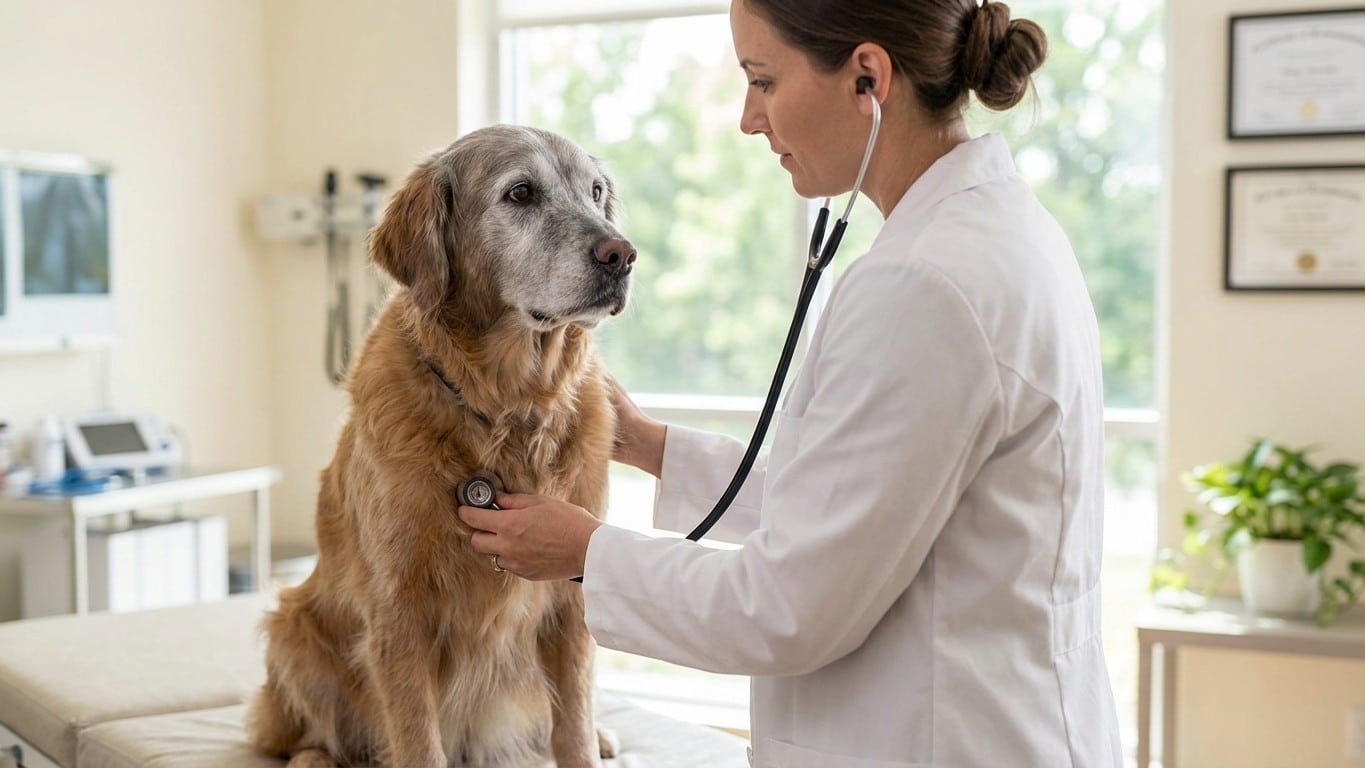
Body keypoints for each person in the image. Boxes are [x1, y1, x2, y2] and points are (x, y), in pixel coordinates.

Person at [459, 0, 1124, 765]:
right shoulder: (997, 235)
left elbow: (789, 607)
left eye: (763, 81)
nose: (749, 118)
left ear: (866, 79)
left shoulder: (924, 286)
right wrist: (653, 448)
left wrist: (586, 551)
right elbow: (859, 516)